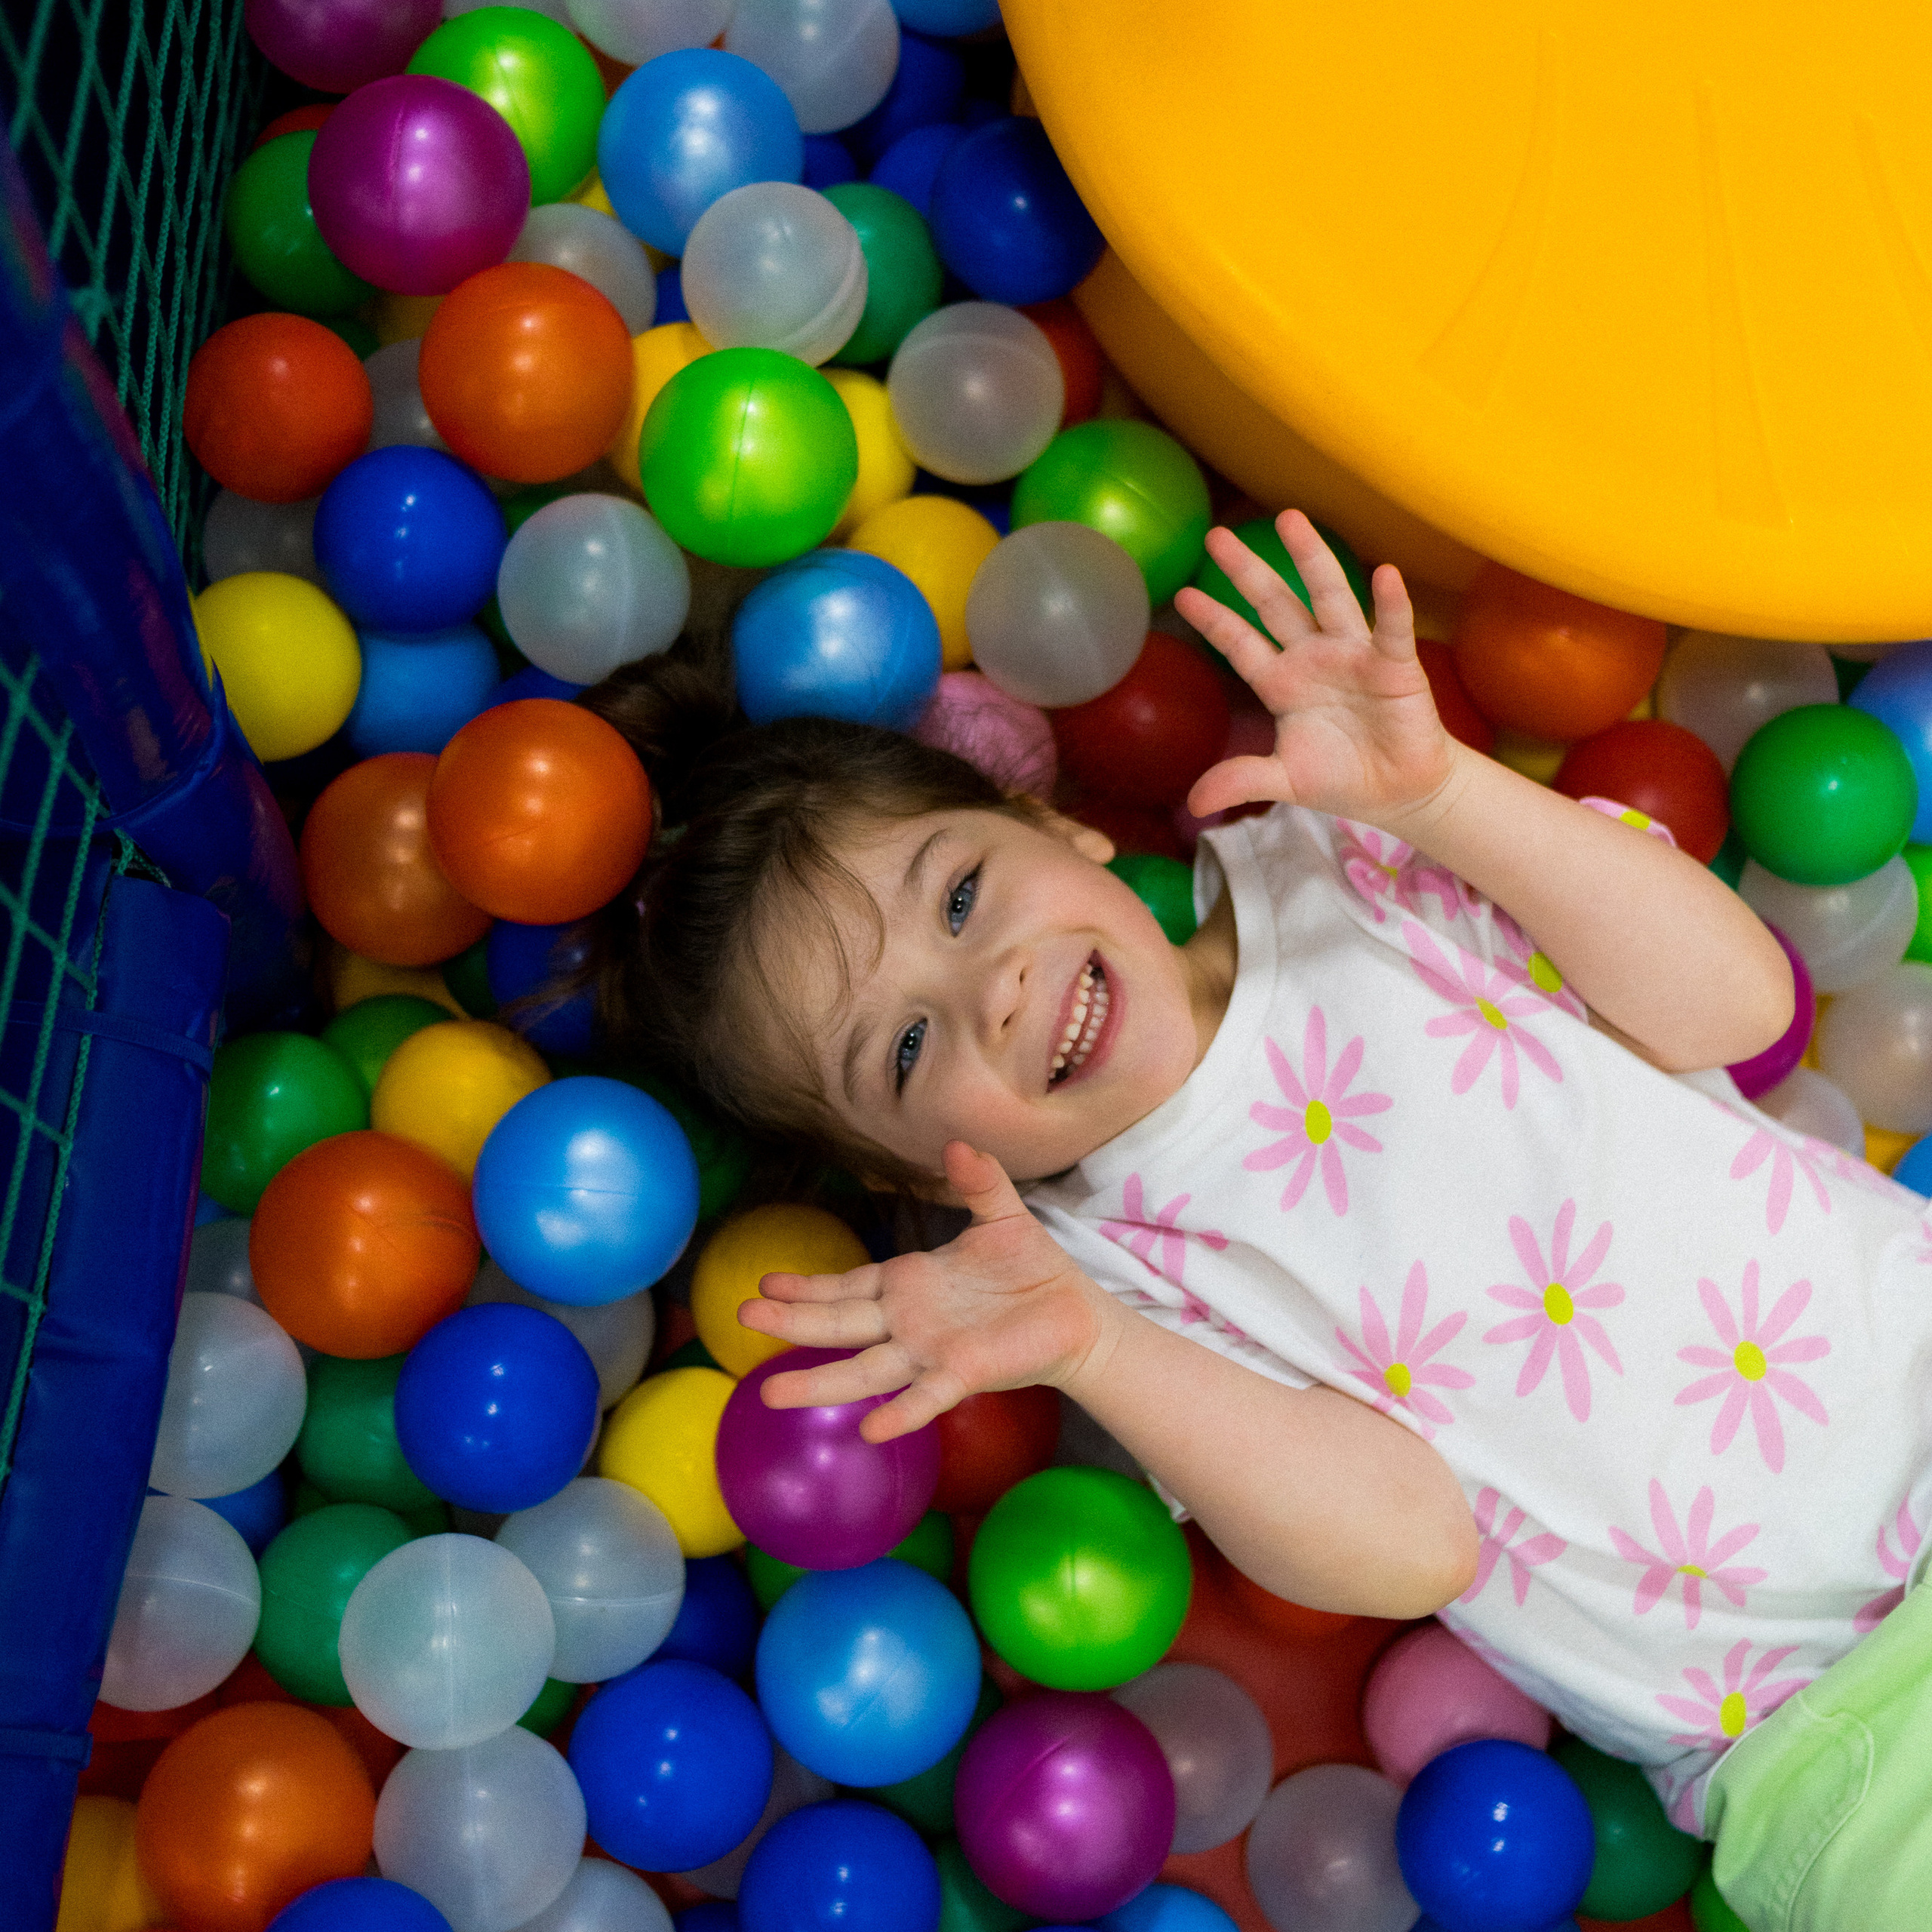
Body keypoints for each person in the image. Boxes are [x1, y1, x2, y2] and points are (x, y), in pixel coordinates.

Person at [586, 512, 1932, 1928]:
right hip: (1821, 1733)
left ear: (1059, 824)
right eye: (907, 1052)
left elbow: (1739, 1006)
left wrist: (1443, 797)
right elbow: (1414, 1546)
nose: (985, 988)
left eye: (967, 895)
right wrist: (1092, 1350)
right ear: (923, 1173)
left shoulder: (1346, 860)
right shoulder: (1108, 1278)